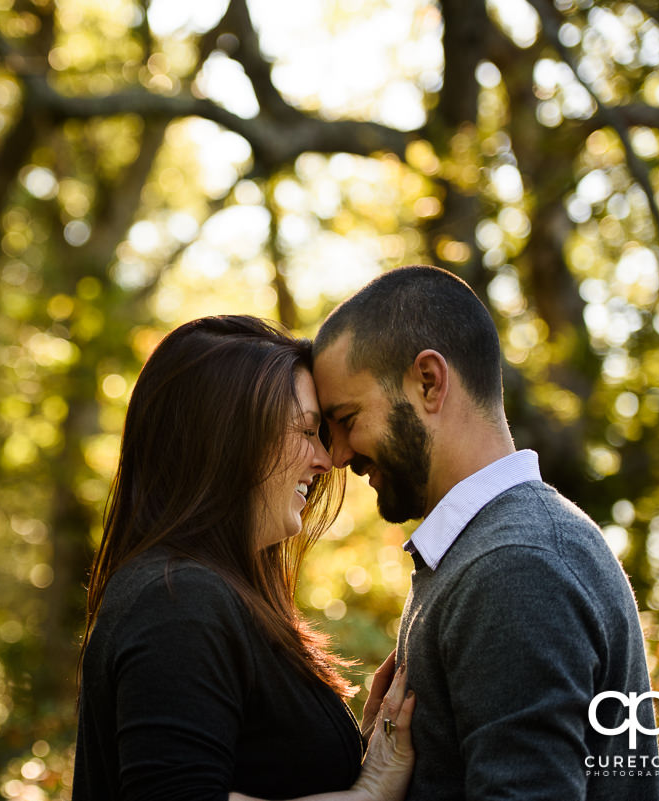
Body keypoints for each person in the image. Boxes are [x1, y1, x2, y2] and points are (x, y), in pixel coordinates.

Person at [312, 265, 659, 801]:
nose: (337, 456)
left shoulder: (517, 565)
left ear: (429, 382)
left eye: (348, 417)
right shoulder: (495, 550)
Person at [72, 315, 416, 801]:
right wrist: (372, 793)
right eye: (306, 430)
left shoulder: (208, 593)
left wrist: (355, 751)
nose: (326, 460)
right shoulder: (177, 601)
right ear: (228, 439)